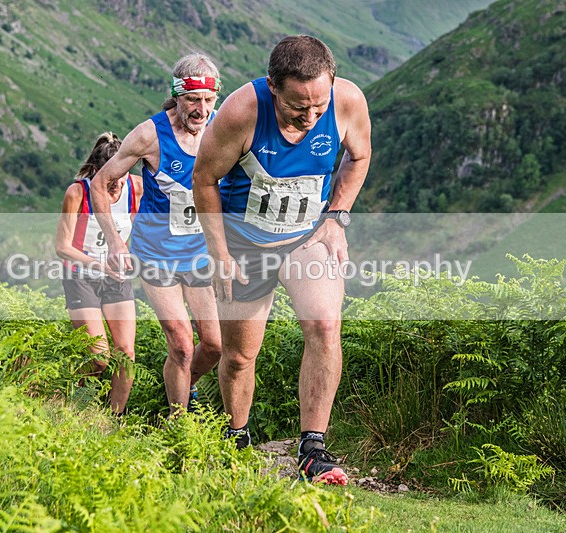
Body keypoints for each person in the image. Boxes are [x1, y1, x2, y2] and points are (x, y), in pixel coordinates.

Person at [192, 35, 371, 485]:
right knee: (239, 356)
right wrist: (219, 253)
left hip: (307, 238)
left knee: (325, 325)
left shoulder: (348, 101)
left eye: (318, 107)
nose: (309, 118)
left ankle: (313, 450)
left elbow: (359, 156)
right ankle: (237, 438)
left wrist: (337, 217)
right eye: (297, 107)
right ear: (273, 86)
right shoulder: (241, 113)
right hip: (245, 245)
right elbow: (204, 179)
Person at [90, 54, 223, 416]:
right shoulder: (150, 135)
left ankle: (184, 384)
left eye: (209, 100)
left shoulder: (222, 127)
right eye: (192, 100)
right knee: (182, 345)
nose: (201, 110)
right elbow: (100, 183)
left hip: (199, 253)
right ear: (176, 95)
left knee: (214, 345)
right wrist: (115, 242)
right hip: (156, 254)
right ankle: (179, 425)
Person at [55, 132, 142, 415]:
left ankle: (115, 419)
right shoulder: (77, 193)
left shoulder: (135, 188)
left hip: (117, 277)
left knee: (126, 353)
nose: (116, 184)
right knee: (100, 358)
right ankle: (75, 404)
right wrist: (100, 265)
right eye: (110, 178)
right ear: (96, 170)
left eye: (122, 174)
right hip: (81, 276)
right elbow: (62, 247)